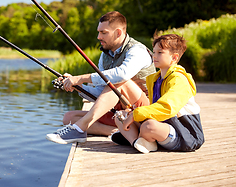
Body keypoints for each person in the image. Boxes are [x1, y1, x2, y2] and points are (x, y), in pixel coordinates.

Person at [46, 11, 156, 144]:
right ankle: (116, 132)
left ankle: (79, 129)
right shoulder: (105, 56)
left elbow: (122, 74)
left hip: (145, 111)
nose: (98, 37)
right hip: (121, 113)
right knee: (69, 117)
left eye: (103, 32)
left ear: (118, 33)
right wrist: (78, 87)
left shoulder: (137, 50)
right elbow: (101, 92)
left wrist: (81, 78)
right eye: (98, 32)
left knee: (119, 82)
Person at [112, 34, 204, 153]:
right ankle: (136, 141)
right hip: (162, 124)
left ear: (174, 58)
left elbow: (167, 107)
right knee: (120, 116)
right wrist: (133, 113)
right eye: (154, 52)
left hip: (184, 133)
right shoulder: (155, 79)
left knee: (148, 126)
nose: (154, 56)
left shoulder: (179, 80)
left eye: (160, 52)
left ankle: (142, 137)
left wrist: (136, 114)